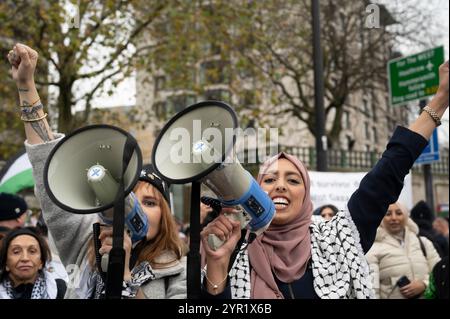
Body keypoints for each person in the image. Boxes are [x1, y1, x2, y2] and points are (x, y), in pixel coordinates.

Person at [199, 59, 449, 298]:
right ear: (255, 191)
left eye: (294, 180)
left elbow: (388, 172)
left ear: (306, 195)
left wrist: (439, 101)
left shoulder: (339, 239)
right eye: (270, 180)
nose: (281, 186)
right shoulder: (233, 247)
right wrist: (218, 263)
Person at [7, 43, 186, 299]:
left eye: (150, 202)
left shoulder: (179, 272)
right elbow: (48, 168)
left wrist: (123, 275)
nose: (139, 206)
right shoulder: (86, 247)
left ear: (167, 216)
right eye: (131, 196)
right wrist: (26, 86)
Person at [365, 202, 440, 299]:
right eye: (388, 214)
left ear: (406, 216)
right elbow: (371, 289)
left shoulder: (423, 243)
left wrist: (424, 284)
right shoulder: (373, 248)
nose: (394, 218)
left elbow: (440, 274)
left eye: (399, 213)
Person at [0, 227, 66, 299]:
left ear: (41, 261)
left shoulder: (59, 290)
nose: (25, 258)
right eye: (16, 252)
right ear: (5, 262)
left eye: (32, 251)